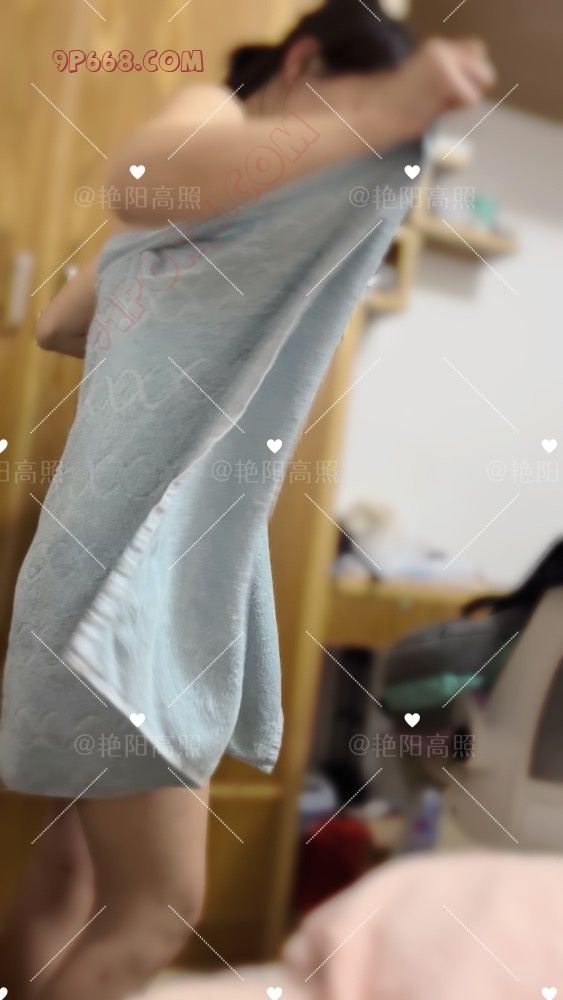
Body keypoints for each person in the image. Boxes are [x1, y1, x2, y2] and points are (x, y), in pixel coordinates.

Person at [0, 2, 495, 998]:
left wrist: (167, 318)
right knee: (158, 907)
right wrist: (393, 107)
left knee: (70, 870)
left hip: (79, 557)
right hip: (132, 575)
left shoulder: (209, 215)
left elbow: (59, 321)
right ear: (302, 63)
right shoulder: (212, 116)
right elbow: (137, 176)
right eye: (350, 110)